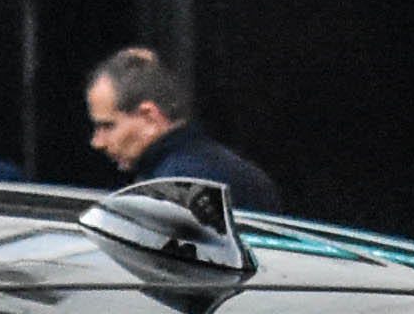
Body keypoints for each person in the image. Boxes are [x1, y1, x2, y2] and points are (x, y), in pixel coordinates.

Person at [83, 48, 274, 206]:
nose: (97, 142)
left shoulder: (173, 190)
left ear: (149, 117)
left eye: (107, 126)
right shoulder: (245, 174)